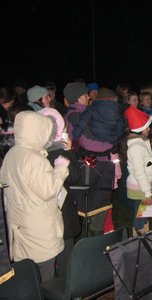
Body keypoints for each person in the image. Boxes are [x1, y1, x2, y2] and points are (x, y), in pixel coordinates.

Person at [0, 111, 70, 282]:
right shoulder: (34, 159)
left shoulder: (12, 154)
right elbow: (49, 190)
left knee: (27, 276)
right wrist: (60, 169)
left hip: (20, 225)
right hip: (39, 230)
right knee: (44, 278)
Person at [38, 107, 81, 277]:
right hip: (62, 212)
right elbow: (74, 177)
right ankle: (64, 284)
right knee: (65, 253)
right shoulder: (59, 152)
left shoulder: (36, 151)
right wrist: (70, 151)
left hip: (43, 212)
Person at [123, 106, 152, 235]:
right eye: (147, 127)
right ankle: (139, 239)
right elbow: (139, 172)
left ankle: (144, 236)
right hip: (139, 188)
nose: (149, 129)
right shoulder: (136, 147)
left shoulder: (142, 142)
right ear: (141, 129)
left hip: (144, 186)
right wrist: (147, 193)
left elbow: (149, 163)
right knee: (140, 217)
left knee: (145, 214)